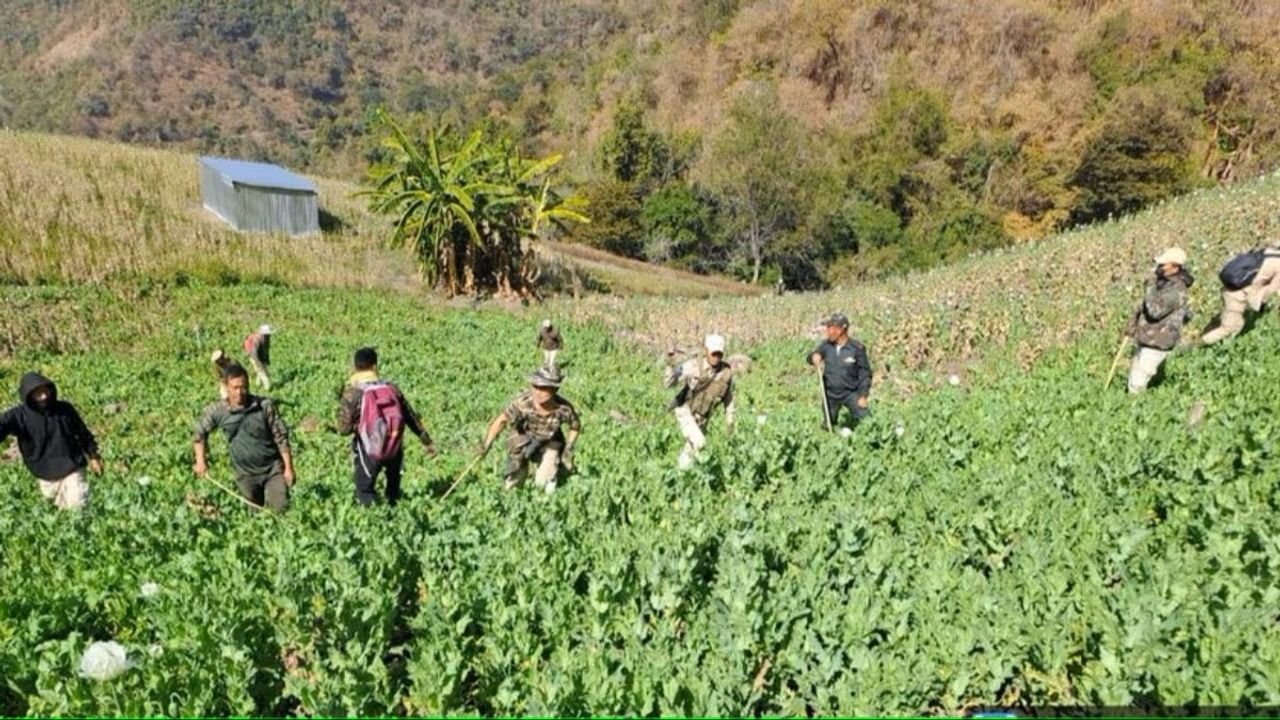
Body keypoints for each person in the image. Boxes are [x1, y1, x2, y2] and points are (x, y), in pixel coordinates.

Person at [336, 347, 437, 506]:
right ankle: (395, 513)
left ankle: (375, 520)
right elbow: (410, 416)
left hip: (370, 448)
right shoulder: (391, 388)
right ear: (375, 366)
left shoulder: (354, 392)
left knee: (364, 489)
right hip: (395, 445)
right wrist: (426, 439)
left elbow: (344, 429)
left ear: (355, 367)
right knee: (393, 491)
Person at [192, 363, 295, 512]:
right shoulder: (219, 411)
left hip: (272, 469)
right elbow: (199, 433)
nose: (240, 392)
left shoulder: (264, 406)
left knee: (280, 508)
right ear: (226, 388)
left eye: (243, 387)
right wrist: (201, 461)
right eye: (235, 388)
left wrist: (289, 468)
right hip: (245, 474)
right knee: (253, 514)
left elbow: (281, 438)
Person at [0, 372, 103, 510]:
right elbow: (2, 425)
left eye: (45, 391)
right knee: (58, 512)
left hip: (72, 464)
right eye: (38, 394)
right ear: (29, 395)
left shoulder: (64, 410)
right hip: (45, 471)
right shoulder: (19, 416)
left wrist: (93, 455)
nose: (43, 396)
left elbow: (82, 433)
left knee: (77, 504)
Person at [481, 367, 580, 493]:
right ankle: (512, 492)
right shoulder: (522, 402)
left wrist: (569, 447)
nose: (538, 392)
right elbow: (501, 420)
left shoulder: (563, 408)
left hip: (550, 441)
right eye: (535, 386)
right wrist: (486, 444)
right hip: (526, 435)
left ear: (554, 390)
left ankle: (551, 481)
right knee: (515, 470)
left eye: (543, 388)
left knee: (542, 482)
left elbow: (575, 426)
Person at [664, 334, 736, 470]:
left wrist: (729, 421)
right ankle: (699, 472)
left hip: (703, 418)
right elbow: (669, 383)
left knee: (690, 449)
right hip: (685, 410)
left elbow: (729, 398)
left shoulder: (725, 373)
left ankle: (681, 474)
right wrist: (670, 362)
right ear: (706, 351)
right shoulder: (693, 366)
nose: (716, 357)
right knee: (700, 443)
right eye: (713, 353)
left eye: (719, 354)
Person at [1128, 247, 1194, 394]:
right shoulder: (1165, 284)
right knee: (1137, 376)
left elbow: (1154, 311)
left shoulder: (1177, 290)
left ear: (1175, 267)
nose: (1159, 267)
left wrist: (1149, 287)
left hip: (1158, 341)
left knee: (1136, 384)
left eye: (1163, 265)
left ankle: (1135, 412)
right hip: (1149, 337)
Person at [1201, 241, 1280, 345]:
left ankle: (1205, 345)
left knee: (1232, 327)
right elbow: (1272, 291)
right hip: (1238, 293)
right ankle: (1199, 346)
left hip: (1231, 288)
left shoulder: (1269, 252)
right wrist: (1262, 307)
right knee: (1230, 328)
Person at [808, 312, 873, 429]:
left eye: (831, 328)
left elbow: (865, 374)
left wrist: (863, 395)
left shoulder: (856, 349)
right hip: (830, 393)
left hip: (850, 392)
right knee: (828, 423)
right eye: (827, 328)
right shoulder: (826, 346)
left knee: (866, 419)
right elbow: (811, 357)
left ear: (841, 330)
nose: (828, 331)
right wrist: (814, 356)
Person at [243, 325, 273, 390]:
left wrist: (266, 359)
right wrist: (258, 363)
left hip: (261, 356)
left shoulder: (266, 338)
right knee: (264, 372)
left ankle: (258, 384)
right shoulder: (257, 340)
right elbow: (254, 353)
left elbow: (266, 348)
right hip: (254, 357)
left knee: (260, 371)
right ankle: (268, 387)